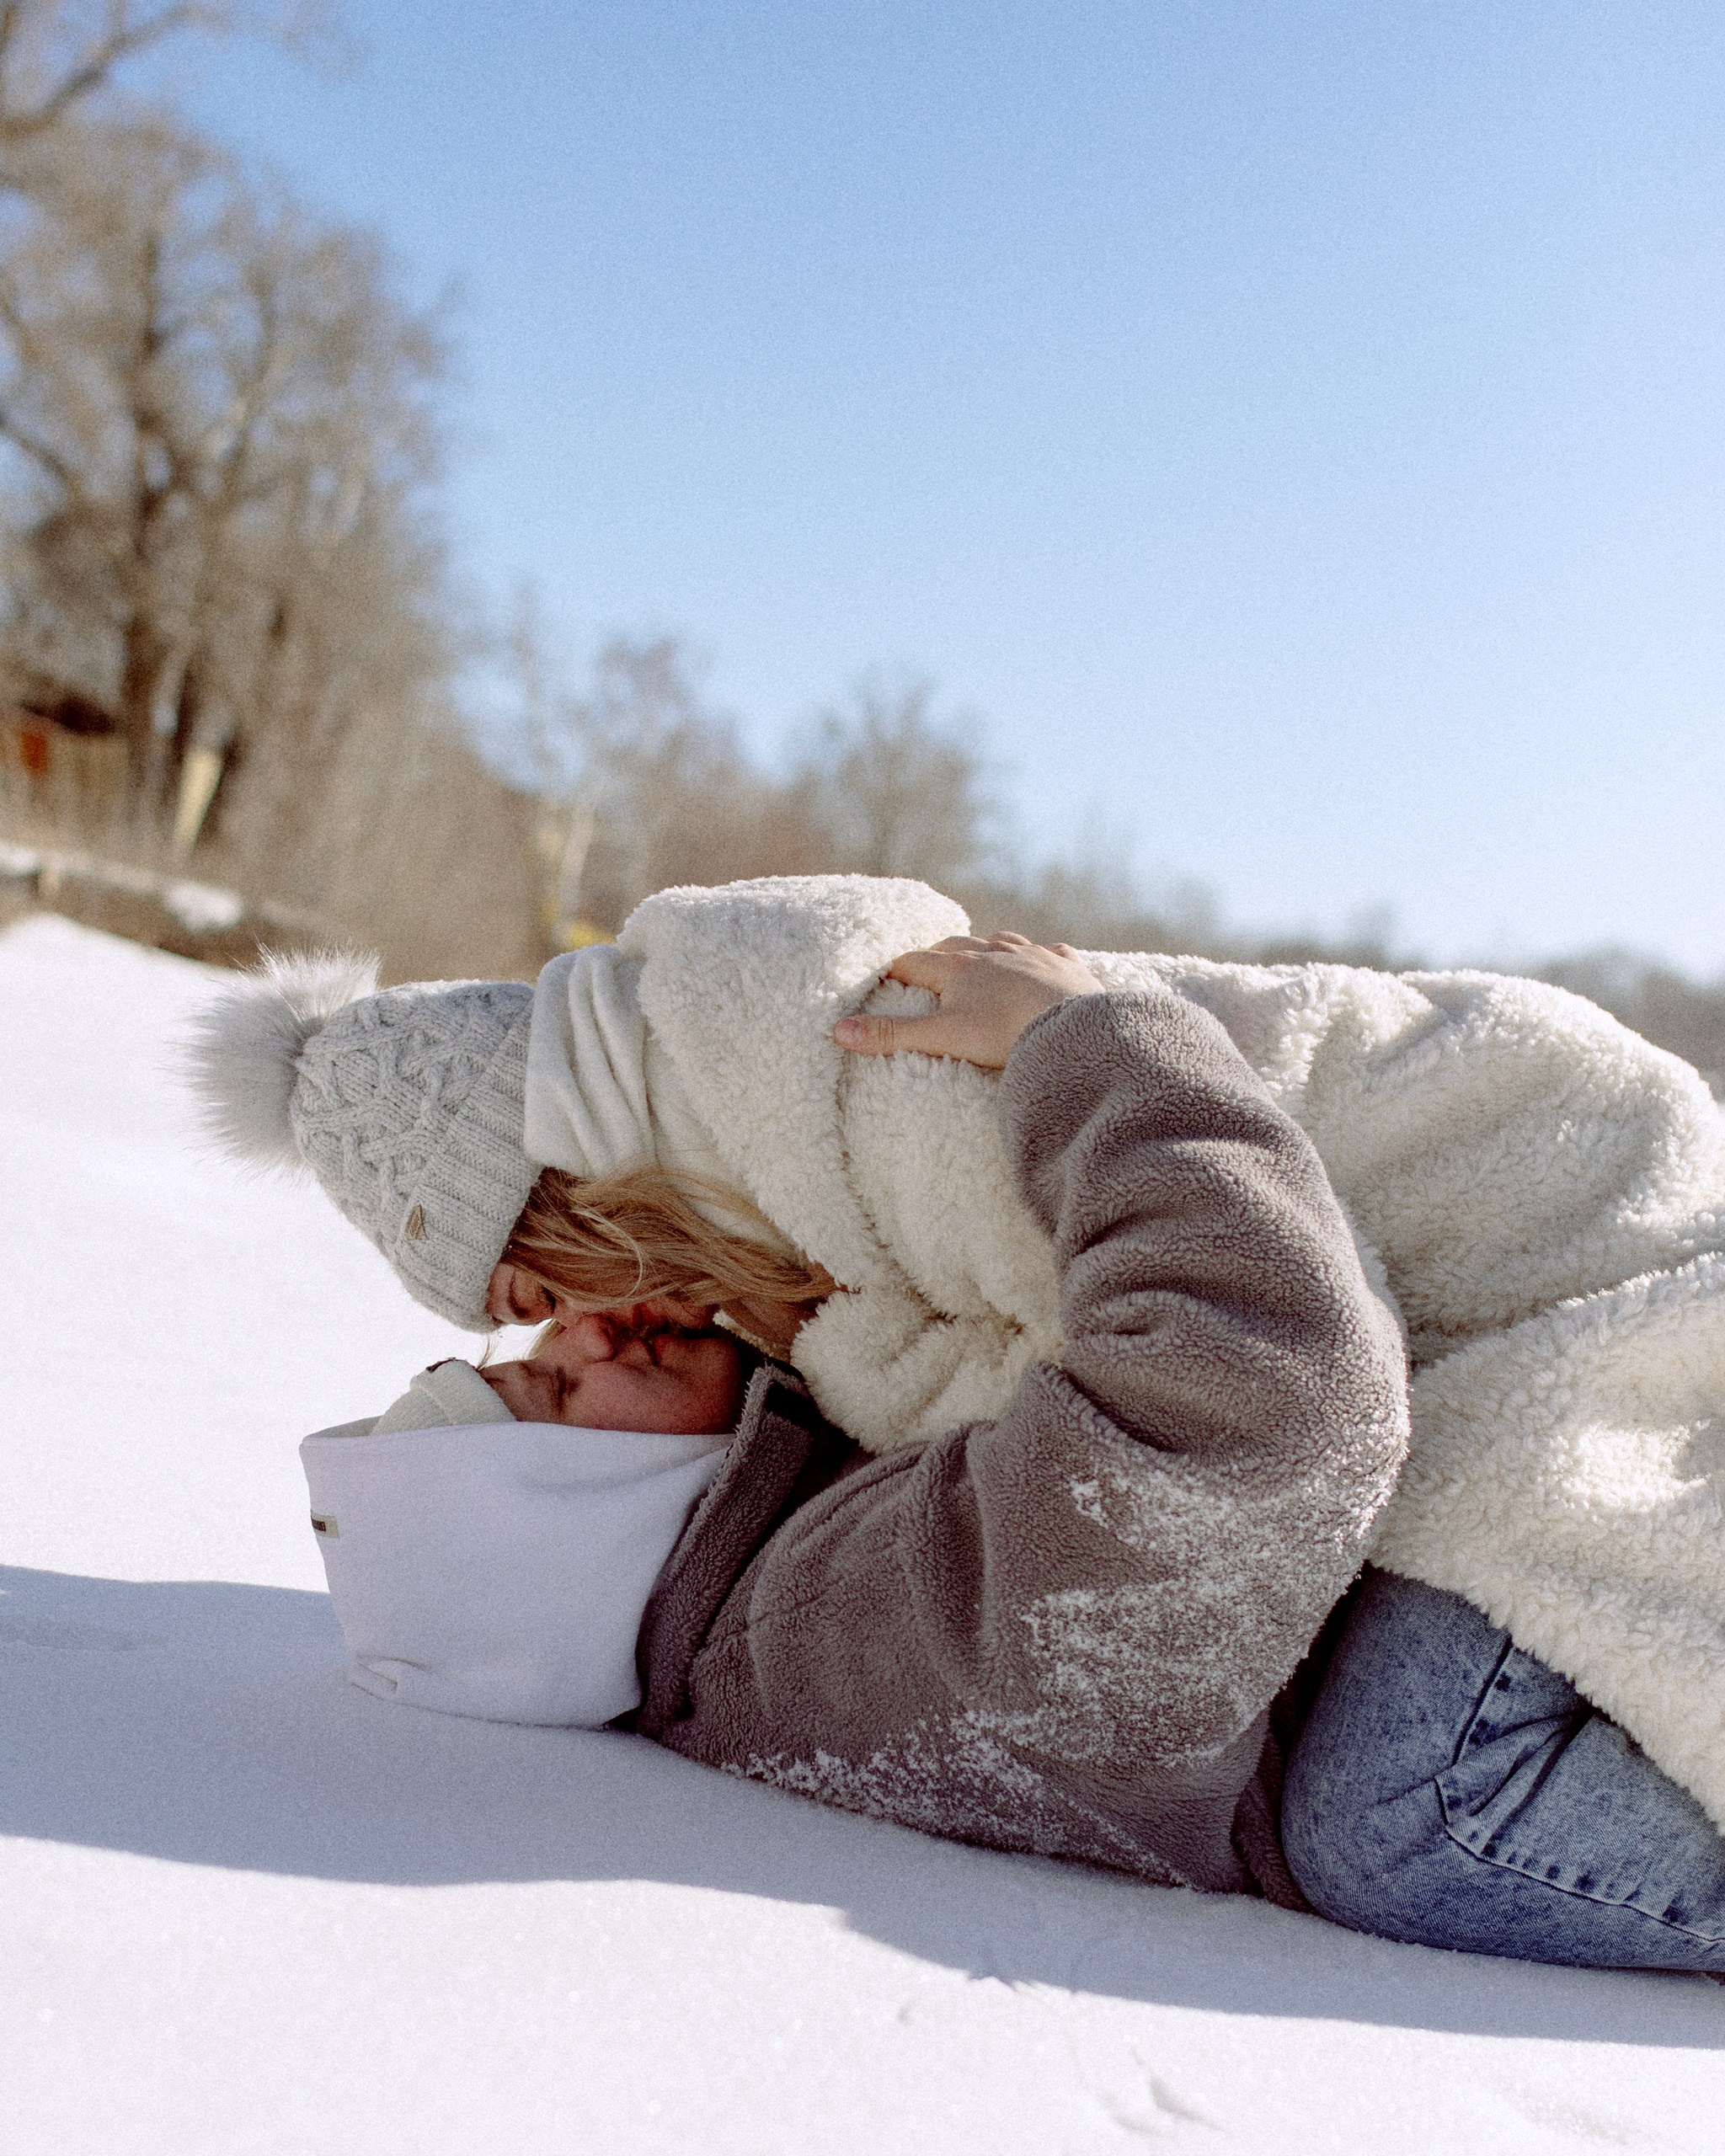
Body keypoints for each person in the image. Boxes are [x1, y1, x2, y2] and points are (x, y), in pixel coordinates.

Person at [188, 918, 1725, 1972]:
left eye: (534, 1329)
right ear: (568, 1525)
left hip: (1391, 1542)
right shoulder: (821, 1629)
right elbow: (1260, 1394)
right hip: (1408, 1713)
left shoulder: (777, 1510)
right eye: (543, 1394)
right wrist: (1100, 1051)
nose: (575, 1333)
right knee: (1394, 1826)